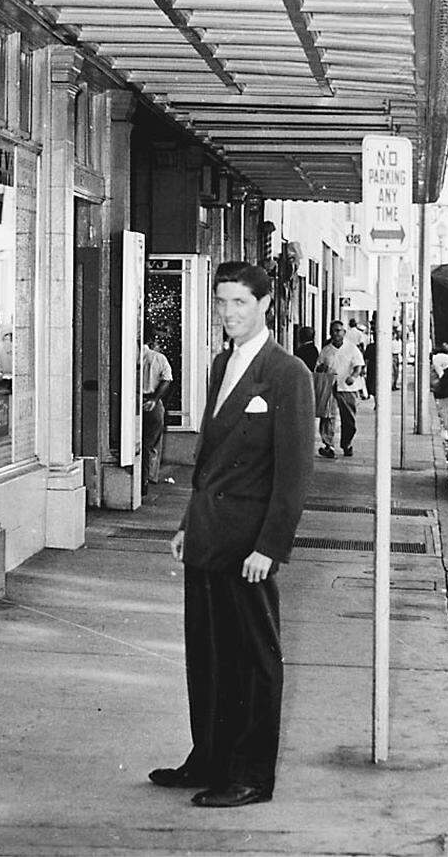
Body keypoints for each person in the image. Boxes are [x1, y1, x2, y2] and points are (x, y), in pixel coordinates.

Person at [149, 261, 314, 809]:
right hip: (209, 535)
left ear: (265, 304)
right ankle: (210, 757)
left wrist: (270, 545)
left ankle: (250, 775)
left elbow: (294, 471)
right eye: (221, 302)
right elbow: (209, 458)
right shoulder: (222, 364)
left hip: (248, 543)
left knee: (254, 659)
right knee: (208, 653)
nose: (228, 313)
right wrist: (186, 523)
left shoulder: (287, 373)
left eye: (239, 302)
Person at [314, 320, 364, 458]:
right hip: (330, 387)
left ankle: (346, 444)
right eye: (334, 331)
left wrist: (353, 376)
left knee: (349, 420)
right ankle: (328, 445)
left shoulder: (352, 348)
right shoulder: (326, 350)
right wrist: (322, 369)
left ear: (344, 332)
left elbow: (359, 365)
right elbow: (318, 366)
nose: (336, 333)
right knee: (328, 417)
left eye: (339, 330)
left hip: (347, 388)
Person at [141, 332, 174, 495]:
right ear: (152, 342)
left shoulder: (130, 355)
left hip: (133, 401)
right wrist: (155, 399)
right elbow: (167, 379)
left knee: (138, 443)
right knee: (151, 443)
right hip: (152, 402)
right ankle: (148, 477)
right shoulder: (159, 358)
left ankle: (141, 478)